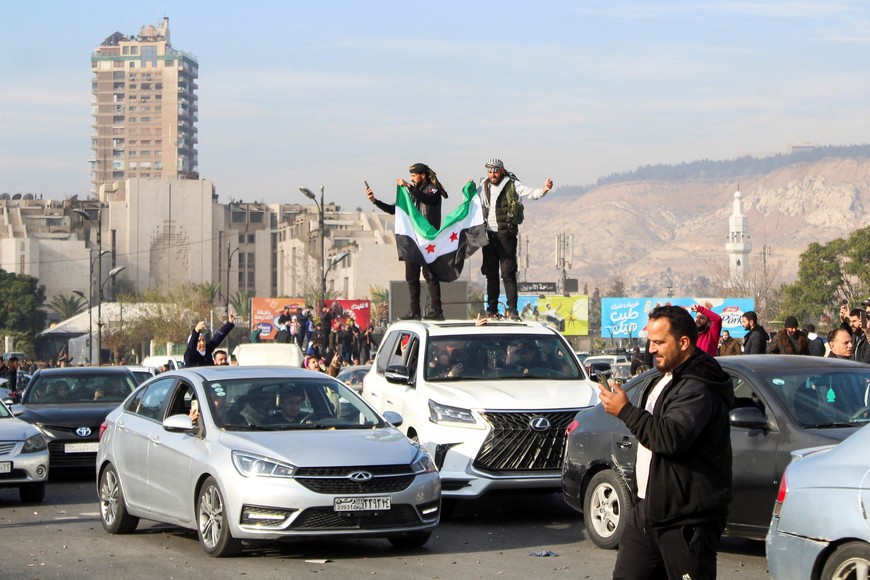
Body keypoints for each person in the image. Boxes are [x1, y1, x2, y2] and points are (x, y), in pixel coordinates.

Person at [597, 305, 733, 579]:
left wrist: (625, 411)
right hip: (648, 510)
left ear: (683, 343)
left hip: (686, 518)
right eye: (650, 341)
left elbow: (670, 438)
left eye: (659, 343)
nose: (651, 350)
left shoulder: (698, 385)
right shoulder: (665, 378)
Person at [366, 163, 448, 320]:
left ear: (422, 175)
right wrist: (375, 201)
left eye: (414, 176)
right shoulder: (411, 194)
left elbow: (427, 199)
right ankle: (414, 311)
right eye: (410, 176)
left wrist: (409, 186)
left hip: (427, 239)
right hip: (413, 239)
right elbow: (396, 210)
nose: (411, 179)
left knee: (430, 274)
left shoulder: (432, 189)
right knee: (411, 276)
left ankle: (437, 310)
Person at [477, 158, 552, 320]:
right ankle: (492, 309)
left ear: (501, 170)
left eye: (495, 171)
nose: (492, 174)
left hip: (506, 236)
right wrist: (467, 189)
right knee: (491, 275)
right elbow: (471, 201)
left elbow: (531, 193)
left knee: (508, 274)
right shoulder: (483, 186)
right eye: (489, 171)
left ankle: (512, 310)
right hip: (489, 236)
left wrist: (544, 189)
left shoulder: (512, 184)